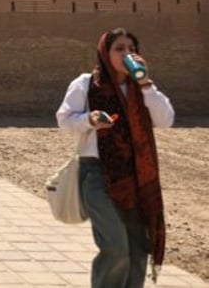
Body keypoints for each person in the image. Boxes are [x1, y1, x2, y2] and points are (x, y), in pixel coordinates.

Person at [56, 28, 174, 287]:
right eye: (119, 49)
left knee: (137, 249)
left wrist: (145, 85)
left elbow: (165, 120)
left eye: (131, 49)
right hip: (97, 175)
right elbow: (64, 119)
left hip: (135, 178)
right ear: (105, 53)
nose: (127, 54)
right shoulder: (86, 83)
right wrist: (90, 120)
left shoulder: (141, 89)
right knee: (116, 248)